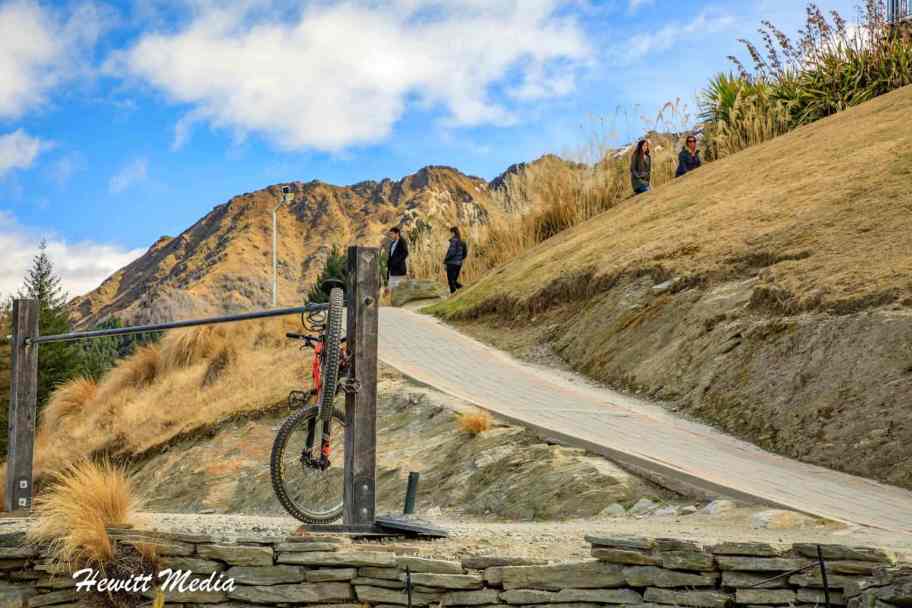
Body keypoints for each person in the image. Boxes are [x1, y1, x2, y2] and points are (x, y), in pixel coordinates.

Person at [443, 226, 468, 294]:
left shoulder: (454, 241)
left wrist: (445, 261)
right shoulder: (463, 242)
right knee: (454, 281)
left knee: (451, 282)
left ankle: (454, 294)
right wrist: (459, 259)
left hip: (451, 264)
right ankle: (463, 290)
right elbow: (465, 254)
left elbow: (451, 252)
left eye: (450, 233)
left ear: (453, 233)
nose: (450, 235)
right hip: (458, 264)